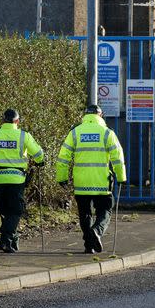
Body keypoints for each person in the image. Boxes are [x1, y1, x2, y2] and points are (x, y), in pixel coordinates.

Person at [55, 104, 126, 254]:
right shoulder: (107, 133)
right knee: (105, 210)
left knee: (85, 213)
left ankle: (89, 245)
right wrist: (121, 177)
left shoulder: (75, 133)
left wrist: (62, 177)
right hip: (101, 183)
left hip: (81, 183)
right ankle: (97, 232)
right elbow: (117, 158)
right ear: (100, 116)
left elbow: (63, 157)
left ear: (85, 116)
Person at [0, 109, 44, 253]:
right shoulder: (24, 136)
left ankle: (10, 239)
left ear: (3, 121)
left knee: (4, 210)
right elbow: (38, 153)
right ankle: (6, 239)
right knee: (16, 211)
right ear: (17, 121)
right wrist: (39, 162)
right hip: (17, 179)